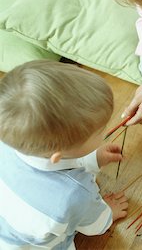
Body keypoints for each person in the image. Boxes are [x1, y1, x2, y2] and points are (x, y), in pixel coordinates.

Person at [0, 60, 129, 249]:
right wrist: (107, 212)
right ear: (58, 155)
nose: (104, 133)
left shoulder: (11, 139)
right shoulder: (74, 195)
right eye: (99, 132)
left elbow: (60, 161)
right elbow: (94, 227)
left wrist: (93, 159)